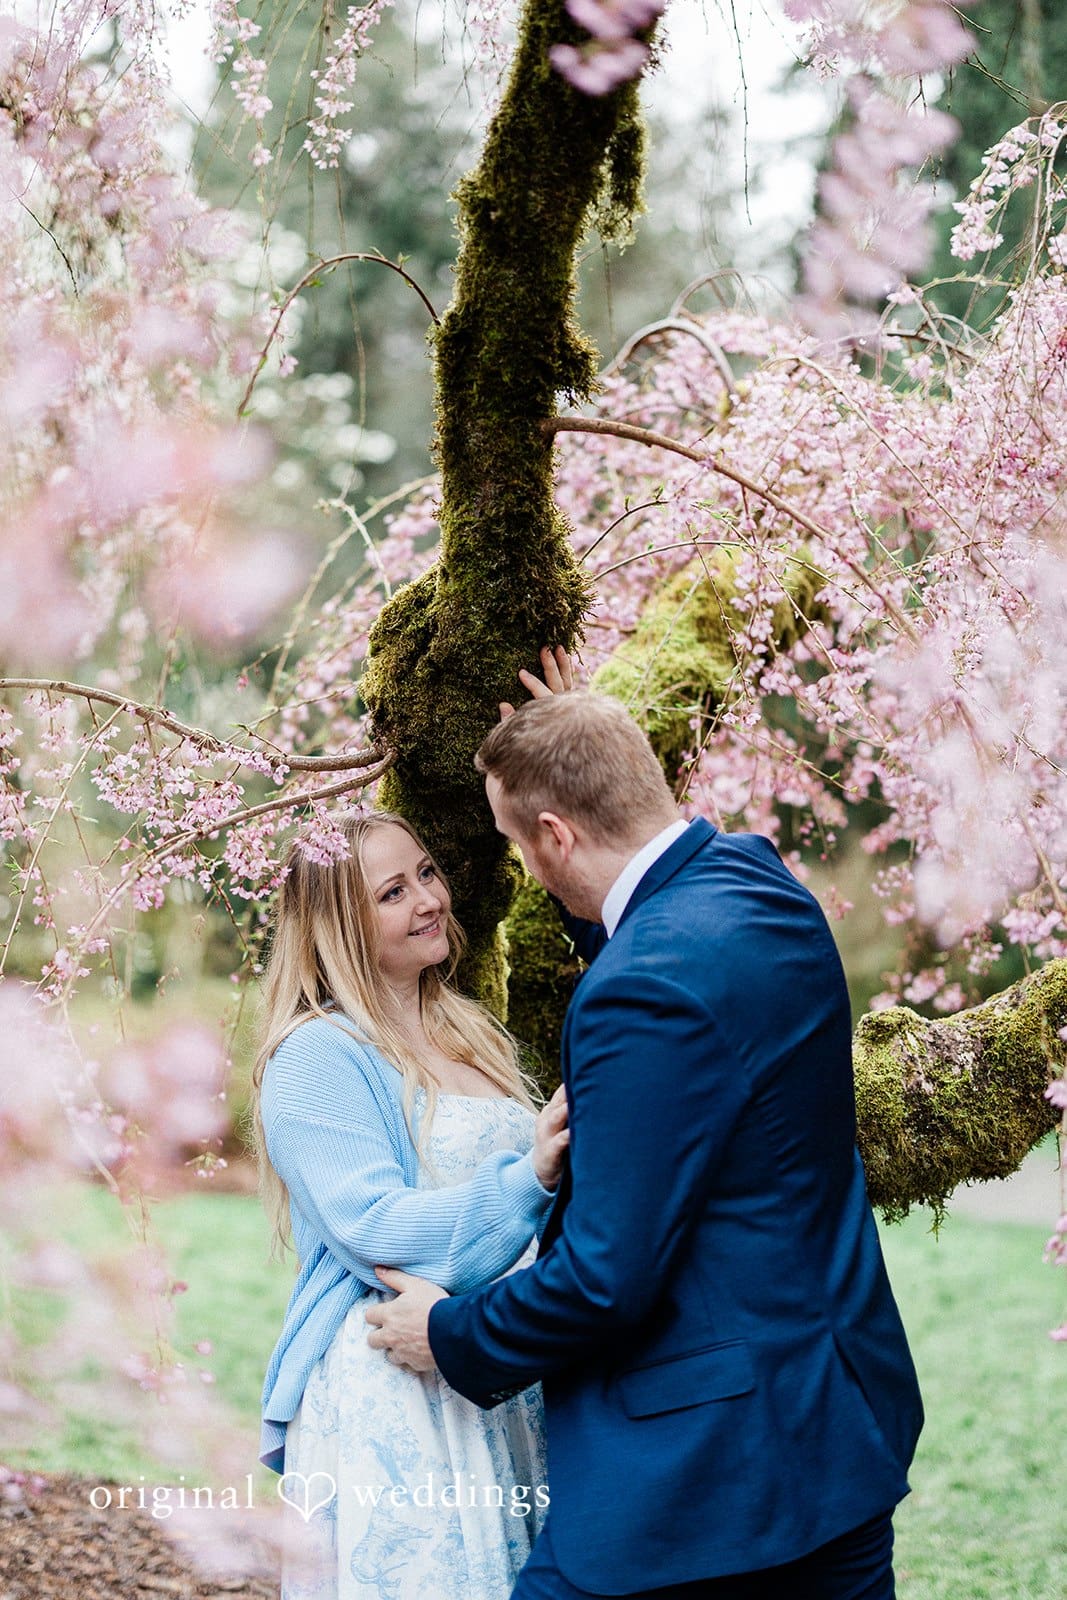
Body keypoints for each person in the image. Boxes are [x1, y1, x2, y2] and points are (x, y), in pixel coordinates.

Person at [366, 648, 924, 1600]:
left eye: (519, 842)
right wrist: (579, 735)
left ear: (553, 834)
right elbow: (659, 930)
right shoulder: (760, 886)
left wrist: (453, 1334)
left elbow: (603, 1280)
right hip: (839, 1422)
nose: (524, 867)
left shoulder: (637, 995)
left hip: (703, 1475)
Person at [252, 809, 569, 1600]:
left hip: (497, 1355)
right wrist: (527, 1178)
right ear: (339, 927)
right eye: (392, 892)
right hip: (401, 1380)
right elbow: (373, 1226)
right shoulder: (315, 1054)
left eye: (425, 872)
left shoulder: (465, 1025)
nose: (428, 899)